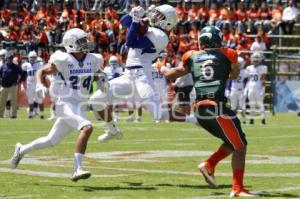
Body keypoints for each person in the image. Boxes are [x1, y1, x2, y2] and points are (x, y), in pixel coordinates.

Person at [161, 26, 258, 197]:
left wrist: (160, 65)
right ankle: (237, 188)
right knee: (240, 146)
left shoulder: (191, 56)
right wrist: (231, 66)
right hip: (217, 107)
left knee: (233, 142)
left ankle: (209, 164)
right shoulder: (228, 53)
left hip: (200, 110)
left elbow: (170, 74)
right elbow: (234, 76)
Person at [10, 28, 106, 182]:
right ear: (71, 44)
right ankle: (77, 169)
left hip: (79, 105)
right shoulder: (64, 60)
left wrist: (101, 80)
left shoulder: (92, 59)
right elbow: (41, 71)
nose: (86, 43)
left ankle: (22, 149)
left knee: (51, 140)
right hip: (65, 104)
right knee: (87, 127)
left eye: (85, 40)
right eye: (81, 41)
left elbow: (97, 73)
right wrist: (41, 85)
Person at [90, 4, 195, 141]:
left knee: (158, 114)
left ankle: (192, 119)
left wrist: (135, 20)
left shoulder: (161, 36)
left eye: (159, 15)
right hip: (127, 75)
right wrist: (133, 14)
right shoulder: (150, 28)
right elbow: (124, 22)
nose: (154, 16)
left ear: (167, 21)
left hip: (142, 77)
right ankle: (112, 130)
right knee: (96, 99)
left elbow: (131, 42)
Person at [0, 51, 26, 118]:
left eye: (11, 58)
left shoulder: (16, 67)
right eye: (9, 58)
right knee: (1, 102)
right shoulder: (3, 66)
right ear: (6, 59)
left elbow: (23, 74)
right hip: (4, 86)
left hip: (12, 86)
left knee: (13, 101)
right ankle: (0, 115)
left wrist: (18, 82)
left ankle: (13, 115)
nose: (10, 59)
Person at [22, 51, 45, 119]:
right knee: (30, 100)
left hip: (38, 84)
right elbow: (23, 75)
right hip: (30, 85)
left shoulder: (39, 64)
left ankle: (42, 114)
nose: (32, 59)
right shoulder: (26, 65)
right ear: (29, 58)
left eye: (34, 57)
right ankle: (31, 114)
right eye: (31, 57)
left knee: (40, 100)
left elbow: (43, 74)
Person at [246, 52, 267, 125]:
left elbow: (264, 80)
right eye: (254, 60)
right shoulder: (249, 68)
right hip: (251, 88)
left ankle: (263, 119)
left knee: (260, 103)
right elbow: (249, 80)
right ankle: (251, 119)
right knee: (251, 104)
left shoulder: (263, 68)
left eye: (257, 60)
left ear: (260, 60)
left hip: (258, 88)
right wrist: (246, 88)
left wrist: (263, 89)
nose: (255, 61)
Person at [229, 57, 248, 124]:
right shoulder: (233, 71)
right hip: (233, 90)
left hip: (241, 90)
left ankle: (244, 120)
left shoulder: (245, 71)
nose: (238, 65)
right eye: (237, 64)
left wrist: (246, 89)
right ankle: (233, 120)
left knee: (242, 106)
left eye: (239, 64)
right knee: (233, 106)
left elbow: (249, 80)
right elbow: (229, 80)